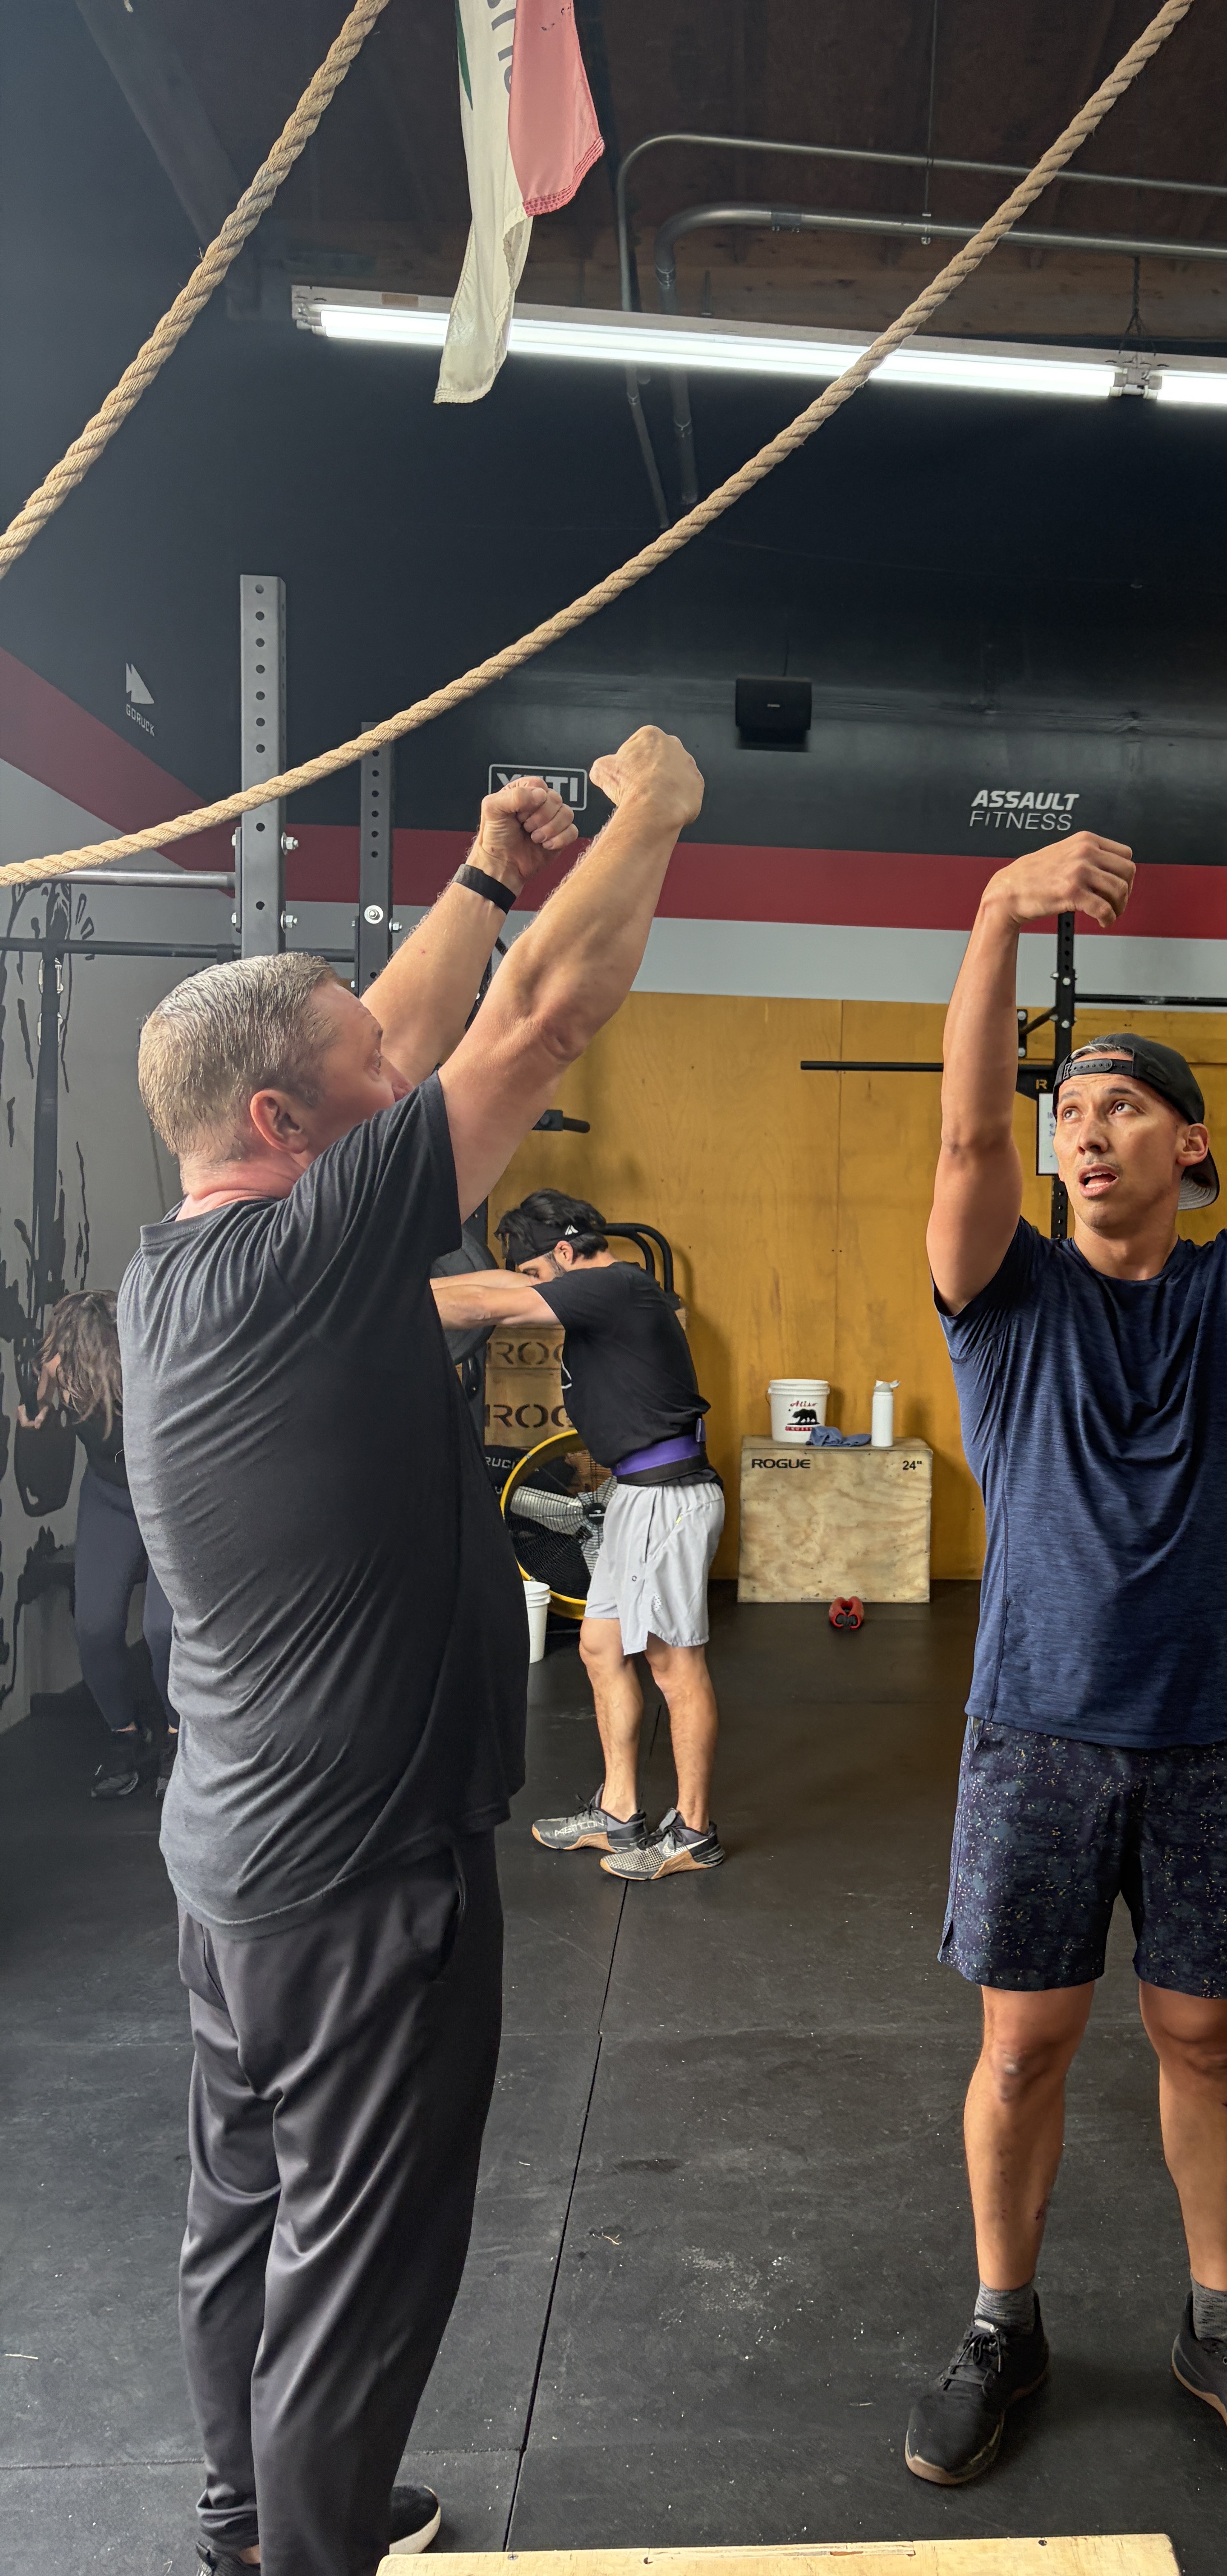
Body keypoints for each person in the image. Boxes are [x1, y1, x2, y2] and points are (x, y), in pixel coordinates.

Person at [119, 729, 704, 2576]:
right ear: (288, 1128)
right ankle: (306, 2553)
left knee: (244, 2219)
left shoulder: (179, 1267)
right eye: (371, 1073)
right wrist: (656, 811)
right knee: (355, 2278)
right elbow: (539, 1016)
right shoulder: (310, 1254)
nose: (401, 1069)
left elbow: (378, 1025)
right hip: (369, 1883)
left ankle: (251, 2526)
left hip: (238, 1871)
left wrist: (483, 874)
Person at [907, 827, 1227, 2498]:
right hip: (1034, 1732)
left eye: (1119, 1106)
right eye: (1069, 1109)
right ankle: (1002, 2325)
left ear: (1190, 1144)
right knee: (1020, 2045)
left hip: (1211, 1736)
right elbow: (967, 1127)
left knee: (1203, 2038)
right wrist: (993, 913)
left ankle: (1217, 2325)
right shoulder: (1000, 1291)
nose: (1083, 1128)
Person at [432, 1187, 726, 1882]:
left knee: (672, 1664)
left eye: (538, 1272)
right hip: (633, 1495)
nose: (532, 1285)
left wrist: (367, 1294)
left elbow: (493, 1304)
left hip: (669, 1498)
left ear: (565, 1253)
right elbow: (500, 1285)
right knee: (600, 1647)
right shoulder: (598, 1291)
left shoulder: (615, 1286)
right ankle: (618, 1812)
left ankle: (694, 1831)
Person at [17, 1288, 175, 1796]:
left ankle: (179, 1737)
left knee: (163, 1629)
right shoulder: (56, 1364)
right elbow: (39, 1395)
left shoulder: (150, 1360)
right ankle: (125, 1737)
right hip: (109, 1498)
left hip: (170, 1495)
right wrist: (38, 1411)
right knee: (95, 1626)